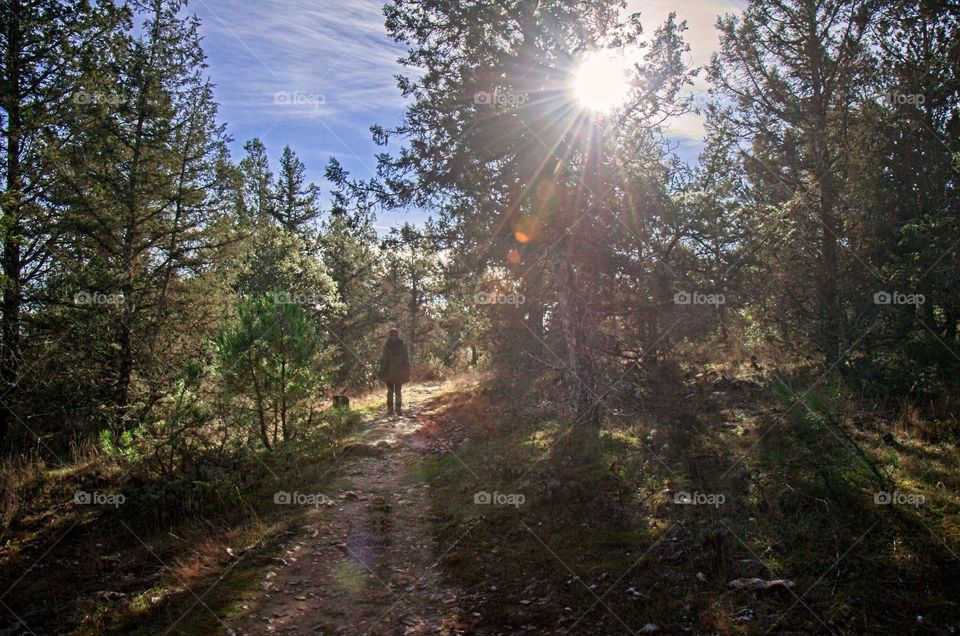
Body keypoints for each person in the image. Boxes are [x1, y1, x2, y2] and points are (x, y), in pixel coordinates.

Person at [378, 328, 410, 415]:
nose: (394, 337)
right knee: (398, 391)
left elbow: (384, 360)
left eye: (394, 335)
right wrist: (408, 371)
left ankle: (390, 409)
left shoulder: (387, 346)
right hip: (400, 372)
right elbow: (406, 360)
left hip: (389, 373)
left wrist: (382, 371)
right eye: (393, 335)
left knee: (390, 391)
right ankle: (398, 408)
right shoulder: (403, 345)